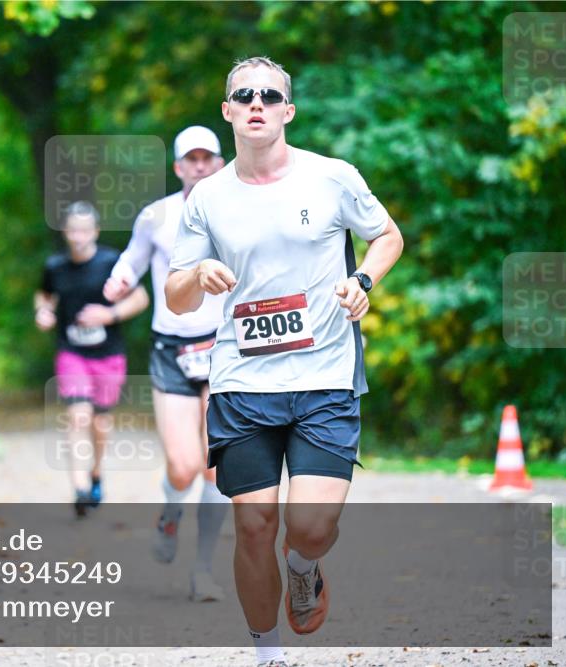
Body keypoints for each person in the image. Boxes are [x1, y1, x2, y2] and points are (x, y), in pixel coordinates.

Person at [165, 56, 404, 667]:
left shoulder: (331, 177)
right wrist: (197, 273)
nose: (256, 103)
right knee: (253, 526)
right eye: (243, 94)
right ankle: (266, 654)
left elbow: (388, 235)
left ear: (286, 111)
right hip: (242, 380)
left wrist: (363, 281)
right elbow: (174, 292)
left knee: (311, 527)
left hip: (324, 375)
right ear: (227, 111)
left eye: (269, 96)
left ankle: (305, 568)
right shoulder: (207, 199)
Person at [103, 126, 232, 602]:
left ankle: (203, 571)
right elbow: (131, 262)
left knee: (218, 468)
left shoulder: (239, 210)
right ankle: (170, 512)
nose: (200, 165)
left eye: (208, 157)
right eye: (191, 159)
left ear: (220, 162)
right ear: (178, 167)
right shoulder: (156, 216)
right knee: (183, 467)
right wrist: (118, 281)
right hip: (172, 350)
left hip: (225, 347)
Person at [35, 201, 150, 517]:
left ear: (95, 232)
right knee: (78, 415)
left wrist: (108, 314)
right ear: (65, 232)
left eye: (85, 230)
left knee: (101, 421)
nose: (78, 236)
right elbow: (44, 295)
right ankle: (80, 485)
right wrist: (43, 312)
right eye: (73, 230)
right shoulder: (55, 266)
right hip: (71, 353)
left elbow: (141, 298)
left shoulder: (111, 263)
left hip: (108, 355)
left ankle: (96, 471)